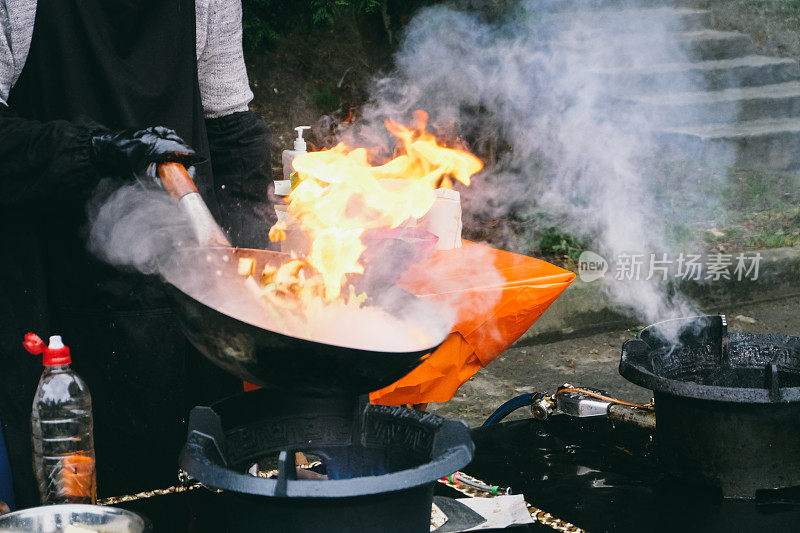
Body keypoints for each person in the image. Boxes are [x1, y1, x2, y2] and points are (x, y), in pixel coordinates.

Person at [0, 0, 272, 519]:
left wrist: (256, 273)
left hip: (189, 316)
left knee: (198, 505)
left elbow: (232, 129)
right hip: (49, 298)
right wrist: (100, 149)